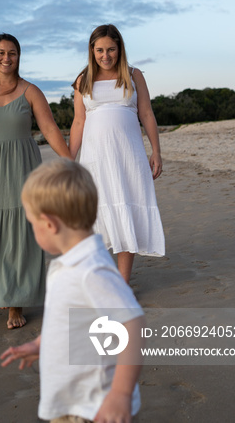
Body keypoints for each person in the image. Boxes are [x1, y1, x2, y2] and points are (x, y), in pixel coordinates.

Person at [1, 159, 144, 423]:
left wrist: (121, 394)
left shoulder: (92, 271)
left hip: (95, 406)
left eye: (32, 223)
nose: (32, 230)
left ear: (50, 224)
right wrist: (40, 344)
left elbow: (131, 323)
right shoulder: (69, 264)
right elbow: (65, 321)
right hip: (71, 398)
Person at [0, 33, 71, 329]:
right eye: (1, 53)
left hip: (22, 168)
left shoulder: (30, 91)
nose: (6, 58)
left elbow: (49, 128)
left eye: (13, 53)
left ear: (19, 58)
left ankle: (15, 305)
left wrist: (70, 160)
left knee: (19, 233)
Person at [69, 24, 165, 284]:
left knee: (126, 213)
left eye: (111, 49)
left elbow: (146, 113)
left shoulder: (134, 75)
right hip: (95, 158)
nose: (106, 55)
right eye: (100, 50)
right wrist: (68, 159)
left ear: (119, 48)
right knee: (95, 216)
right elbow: (79, 122)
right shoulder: (83, 80)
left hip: (128, 157)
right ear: (92, 50)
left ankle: (122, 284)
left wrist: (156, 151)